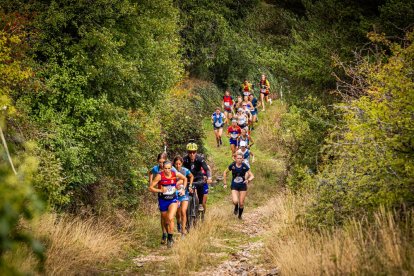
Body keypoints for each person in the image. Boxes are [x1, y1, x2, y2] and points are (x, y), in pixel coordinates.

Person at [149, 161, 187, 248]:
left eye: (169, 168)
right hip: (163, 200)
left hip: (173, 200)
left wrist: (183, 189)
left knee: (170, 218)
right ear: (163, 168)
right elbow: (150, 188)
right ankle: (168, 235)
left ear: (171, 168)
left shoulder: (174, 174)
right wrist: (160, 190)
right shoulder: (159, 176)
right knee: (166, 222)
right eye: (165, 168)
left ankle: (170, 238)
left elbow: (185, 178)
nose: (167, 170)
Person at [148, 153, 178, 245]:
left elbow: (178, 177)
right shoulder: (156, 169)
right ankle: (164, 234)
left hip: (172, 195)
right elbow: (150, 174)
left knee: (170, 217)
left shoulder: (171, 169)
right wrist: (153, 184)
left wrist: (178, 186)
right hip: (162, 196)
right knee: (164, 217)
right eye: (159, 162)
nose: (161, 164)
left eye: (162, 162)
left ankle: (169, 237)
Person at [223, 152, 254, 219]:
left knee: (241, 203)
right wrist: (225, 183)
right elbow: (225, 172)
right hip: (234, 185)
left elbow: (252, 176)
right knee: (235, 201)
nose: (239, 159)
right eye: (238, 158)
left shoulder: (244, 165)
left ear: (242, 159)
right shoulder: (232, 165)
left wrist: (248, 180)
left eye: (240, 158)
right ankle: (236, 206)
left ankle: (240, 216)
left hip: (243, 185)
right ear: (235, 158)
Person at [183, 143, 212, 212]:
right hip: (188, 178)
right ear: (187, 152)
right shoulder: (184, 159)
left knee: (201, 184)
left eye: (194, 152)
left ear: (196, 152)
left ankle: (200, 203)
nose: (192, 154)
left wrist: (209, 178)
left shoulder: (199, 159)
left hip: (198, 177)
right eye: (190, 152)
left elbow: (206, 169)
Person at [173, 156, 194, 236]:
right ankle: (178, 223)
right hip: (175, 194)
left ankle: (183, 230)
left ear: (182, 163)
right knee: (178, 213)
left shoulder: (185, 170)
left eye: (179, 164)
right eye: (176, 164)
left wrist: (190, 185)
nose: (178, 165)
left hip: (184, 193)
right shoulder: (172, 171)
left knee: (183, 211)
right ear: (174, 164)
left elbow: (191, 176)